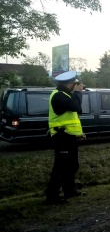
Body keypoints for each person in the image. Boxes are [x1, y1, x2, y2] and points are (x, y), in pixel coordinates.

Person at [45, 71, 86, 205]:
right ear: (69, 84)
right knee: (60, 167)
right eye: (74, 84)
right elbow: (76, 107)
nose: (76, 86)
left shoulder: (65, 95)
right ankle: (52, 196)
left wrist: (79, 133)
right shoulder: (58, 96)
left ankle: (70, 190)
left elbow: (72, 116)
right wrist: (78, 93)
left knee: (72, 165)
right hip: (61, 136)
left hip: (69, 136)